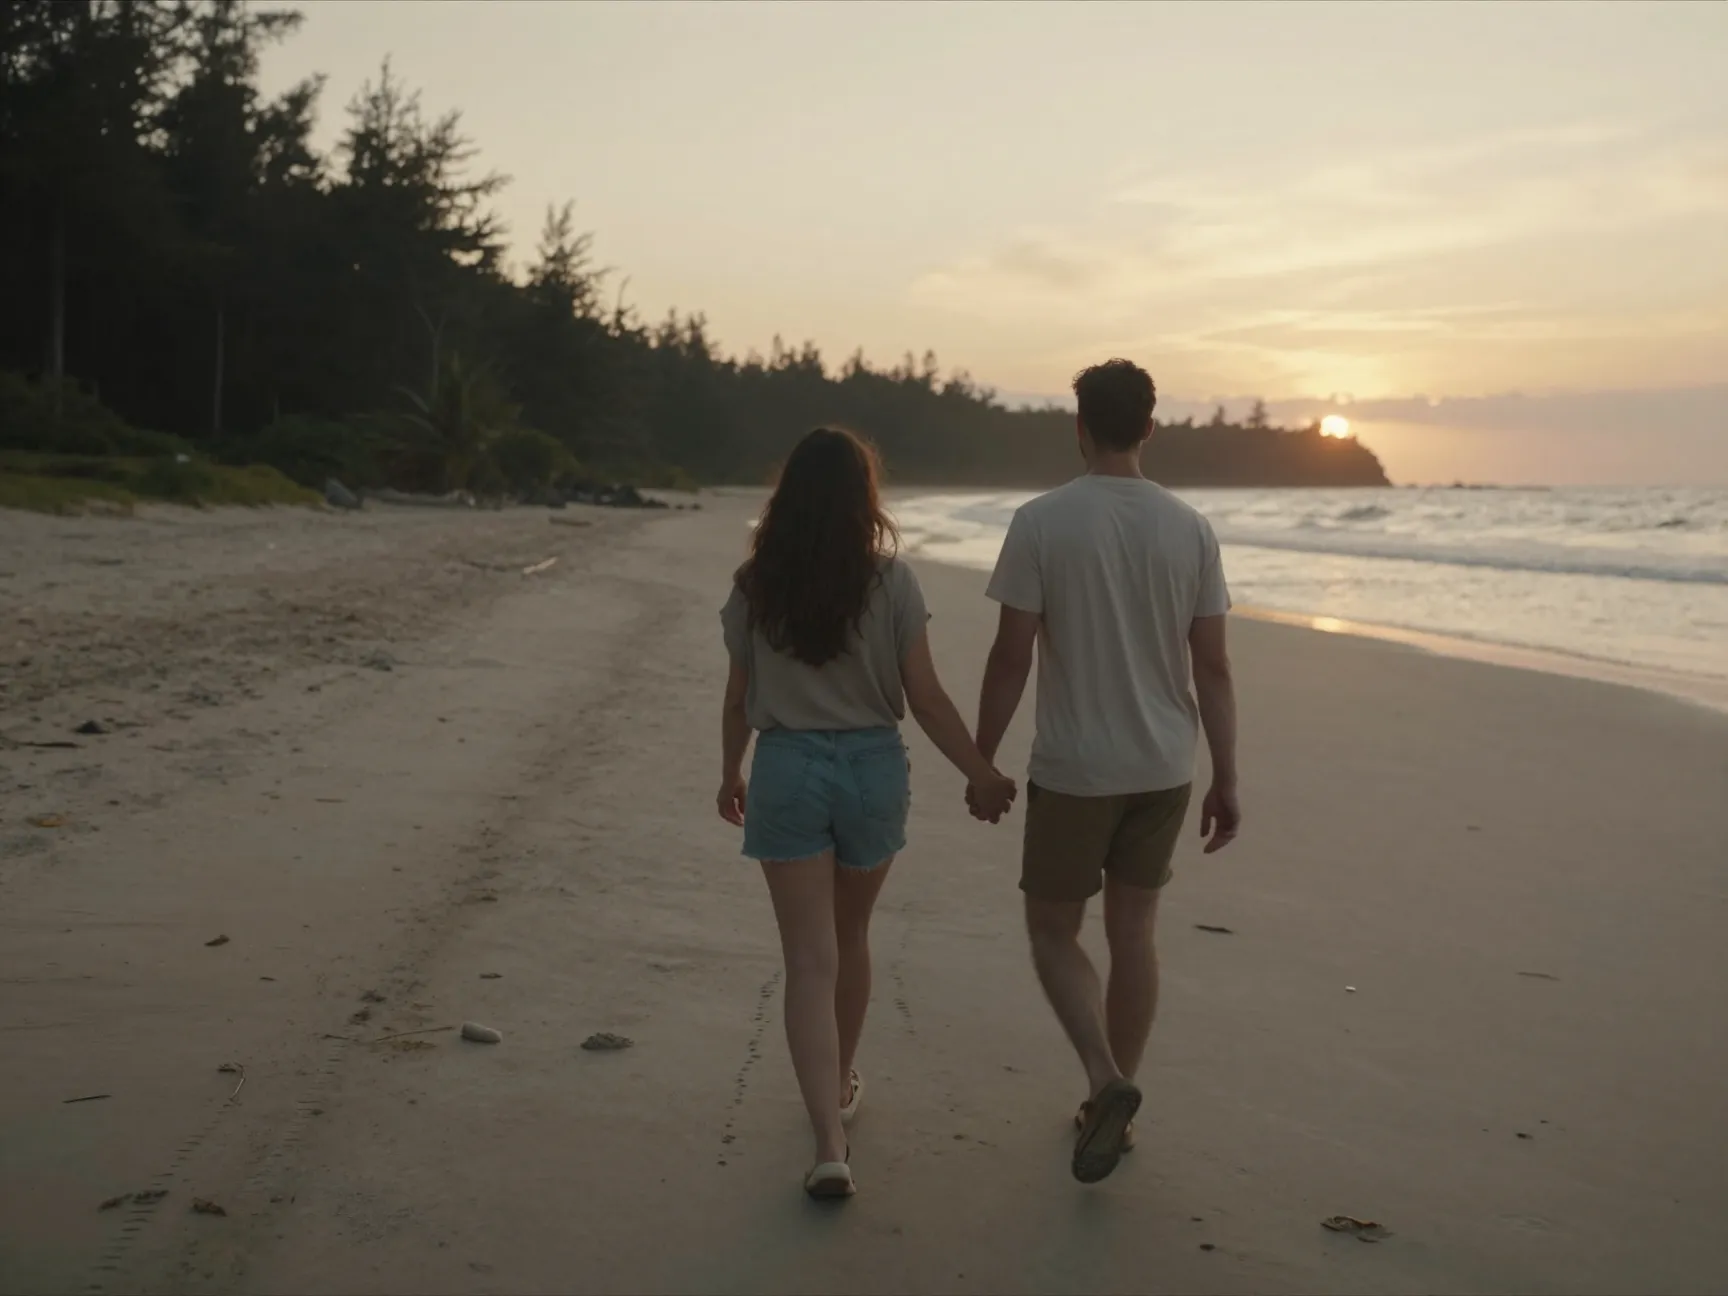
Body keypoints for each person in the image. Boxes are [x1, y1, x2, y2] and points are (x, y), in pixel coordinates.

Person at [717, 427, 1018, 1200]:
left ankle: (828, 1141)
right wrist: (980, 773)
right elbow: (926, 697)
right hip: (871, 770)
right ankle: (843, 1080)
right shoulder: (892, 582)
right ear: (865, 498)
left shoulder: (756, 584)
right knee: (850, 937)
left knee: (808, 961)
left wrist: (730, 770)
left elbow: (739, 696)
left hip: (786, 769)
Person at [972, 358, 1241, 1185]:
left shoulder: (1043, 521)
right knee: (1135, 936)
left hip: (1077, 768)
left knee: (1054, 933)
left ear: (1079, 425)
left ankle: (1104, 1080)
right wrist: (1227, 777)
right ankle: (1109, 1115)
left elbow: (1012, 654)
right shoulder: (1190, 527)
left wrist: (982, 757)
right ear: (1151, 428)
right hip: (1165, 765)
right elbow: (1214, 669)